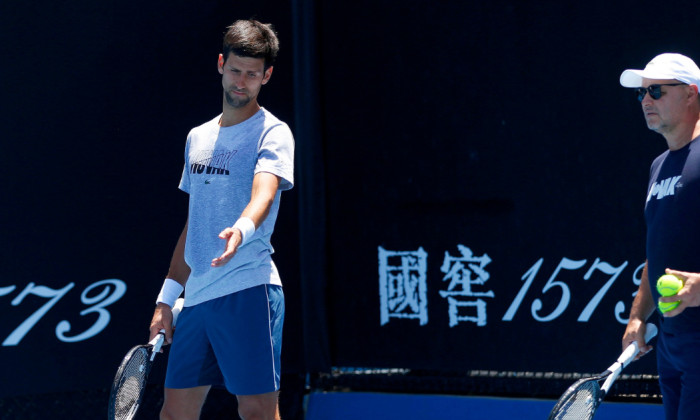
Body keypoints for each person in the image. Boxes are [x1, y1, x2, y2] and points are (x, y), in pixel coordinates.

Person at [148, 19, 294, 420]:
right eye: (235, 70)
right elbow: (193, 223)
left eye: (252, 74)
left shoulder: (274, 133)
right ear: (220, 65)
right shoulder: (197, 137)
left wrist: (242, 229)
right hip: (196, 300)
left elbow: (264, 192)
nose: (241, 82)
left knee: (258, 411)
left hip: (249, 289)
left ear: (266, 76)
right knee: (174, 412)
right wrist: (165, 299)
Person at [620, 53, 700, 420]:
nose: (646, 101)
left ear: (691, 94)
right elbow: (658, 252)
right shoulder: (658, 166)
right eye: (642, 94)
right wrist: (638, 318)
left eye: (655, 90)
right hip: (672, 346)